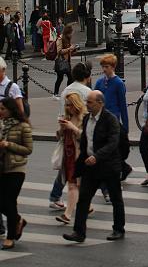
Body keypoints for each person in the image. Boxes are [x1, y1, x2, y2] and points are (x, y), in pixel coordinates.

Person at [63, 91, 125, 243]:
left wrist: (97, 156)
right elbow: (85, 142)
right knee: (83, 198)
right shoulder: (86, 119)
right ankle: (79, 232)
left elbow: (112, 143)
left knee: (116, 198)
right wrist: (80, 164)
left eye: (90, 102)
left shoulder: (110, 119)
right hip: (91, 166)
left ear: (100, 103)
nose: (87, 105)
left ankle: (118, 229)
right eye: (87, 102)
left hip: (108, 165)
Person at [49, 62, 92, 211]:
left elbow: (62, 114)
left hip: (66, 132)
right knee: (82, 169)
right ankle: (106, 192)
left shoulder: (65, 90)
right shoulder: (87, 92)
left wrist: (60, 130)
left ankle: (55, 196)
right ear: (87, 76)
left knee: (67, 168)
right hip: (79, 133)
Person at [0, 97, 32, 250]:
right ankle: (19, 220)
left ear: (11, 110)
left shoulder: (23, 126)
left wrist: (9, 144)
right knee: (3, 202)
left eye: (3, 109)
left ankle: (10, 237)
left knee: (9, 201)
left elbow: (28, 150)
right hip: (1, 168)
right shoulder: (1, 125)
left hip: (16, 169)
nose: (0, 112)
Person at [94, 54, 131, 184]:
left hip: (113, 119)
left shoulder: (118, 83)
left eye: (107, 67)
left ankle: (119, 169)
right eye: (103, 67)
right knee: (105, 147)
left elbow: (122, 105)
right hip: (100, 119)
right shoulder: (99, 82)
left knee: (110, 147)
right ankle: (123, 168)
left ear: (113, 67)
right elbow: (94, 100)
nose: (104, 69)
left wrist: (125, 126)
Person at [54, 92, 87, 225]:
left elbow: (85, 138)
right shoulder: (67, 117)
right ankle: (87, 206)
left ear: (76, 105)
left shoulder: (83, 118)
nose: (68, 108)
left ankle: (67, 215)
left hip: (78, 155)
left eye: (70, 105)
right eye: (66, 105)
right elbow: (58, 137)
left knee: (73, 185)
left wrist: (72, 127)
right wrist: (61, 129)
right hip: (67, 156)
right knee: (75, 184)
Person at [53, 24, 76, 99]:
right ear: (67, 33)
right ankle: (56, 94)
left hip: (67, 61)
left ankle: (67, 93)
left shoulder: (67, 39)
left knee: (70, 77)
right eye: (70, 33)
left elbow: (68, 51)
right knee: (60, 78)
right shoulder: (60, 39)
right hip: (61, 62)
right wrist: (69, 49)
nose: (71, 35)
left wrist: (73, 49)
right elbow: (59, 51)